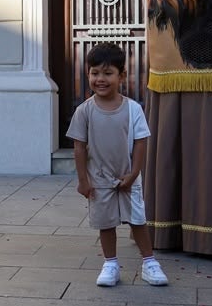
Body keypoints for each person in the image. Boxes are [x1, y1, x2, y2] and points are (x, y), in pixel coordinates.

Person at [67, 42, 168, 287]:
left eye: (108, 73)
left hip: (128, 178)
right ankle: (110, 264)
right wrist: (83, 181)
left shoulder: (133, 109)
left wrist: (133, 174)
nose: (100, 79)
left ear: (121, 75)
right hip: (99, 180)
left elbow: (141, 142)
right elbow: (79, 147)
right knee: (106, 223)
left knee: (138, 220)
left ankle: (149, 263)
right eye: (95, 73)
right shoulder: (84, 111)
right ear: (88, 74)